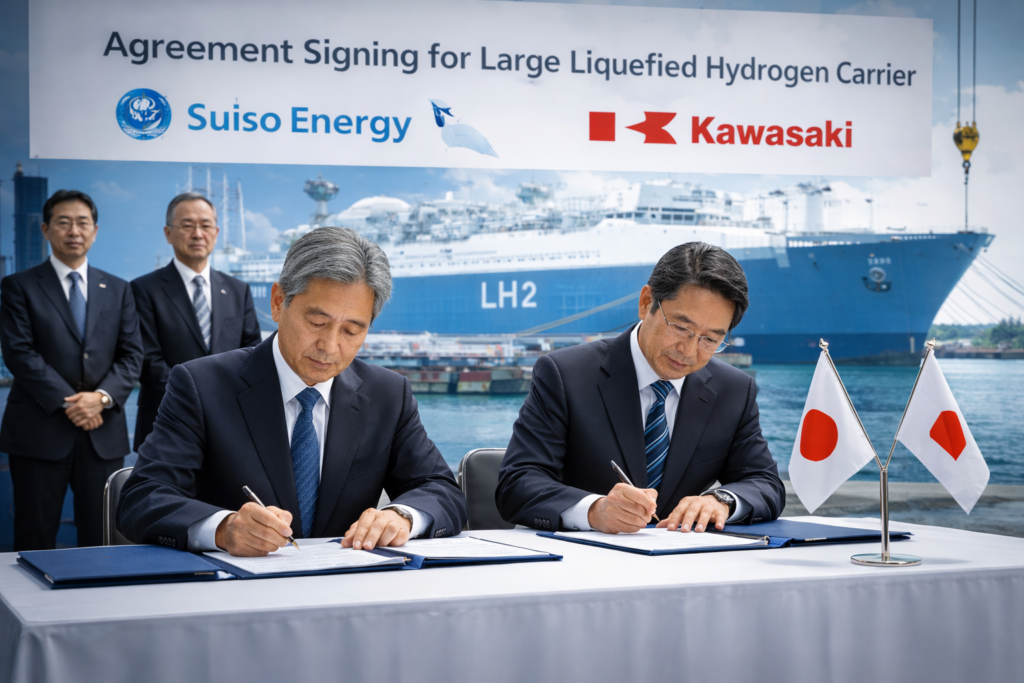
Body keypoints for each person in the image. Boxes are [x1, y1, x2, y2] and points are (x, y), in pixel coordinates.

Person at [118, 227, 467, 556]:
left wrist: (402, 516)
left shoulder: (388, 394)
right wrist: (223, 529)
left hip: (350, 593)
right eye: (317, 323)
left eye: (351, 331)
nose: (329, 347)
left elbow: (442, 491)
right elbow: (143, 498)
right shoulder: (201, 385)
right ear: (278, 302)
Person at [496, 242, 785, 534]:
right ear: (647, 302)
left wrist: (722, 500)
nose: (688, 350)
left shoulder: (734, 389)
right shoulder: (565, 374)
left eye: (710, 340)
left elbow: (765, 483)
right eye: (681, 328)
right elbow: (517, 483)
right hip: (579, 563)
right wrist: (594, 511)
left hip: (684, 563)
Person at [0, 189, 143, 550]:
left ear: (95, 231)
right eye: (63, 223)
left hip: (103, 434)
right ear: (46, 230)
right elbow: (19, 353)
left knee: (104, 537)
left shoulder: (119, 289)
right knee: (33, 535)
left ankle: (103, 605)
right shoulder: (18, 287)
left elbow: (131, 356)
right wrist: (73, 403)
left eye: (82, 223)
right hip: (39, 432)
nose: (74, 231)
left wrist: (100, 398)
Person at [131, 192, 261, 451]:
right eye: (187, 226)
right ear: (168, 233)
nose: (198, 234)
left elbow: (252, 354)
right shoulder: (142, 289)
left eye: (205, 225)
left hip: (231, 425)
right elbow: (147, 360)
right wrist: (202, 397)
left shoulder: (238, 290)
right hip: (165, 421)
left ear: (216, 232)